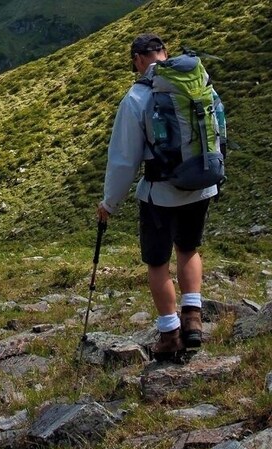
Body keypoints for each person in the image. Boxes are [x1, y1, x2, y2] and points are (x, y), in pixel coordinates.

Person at [97, 33, 220, 361]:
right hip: (202, 183)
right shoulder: (197, 80)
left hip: (160, 193)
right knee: (189, 248)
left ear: (138, 59)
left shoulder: (137, 97)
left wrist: (109, 203)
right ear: (165, 53)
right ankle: (193, 319)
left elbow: (124, 160)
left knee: (157, 262)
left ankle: (170, 334)